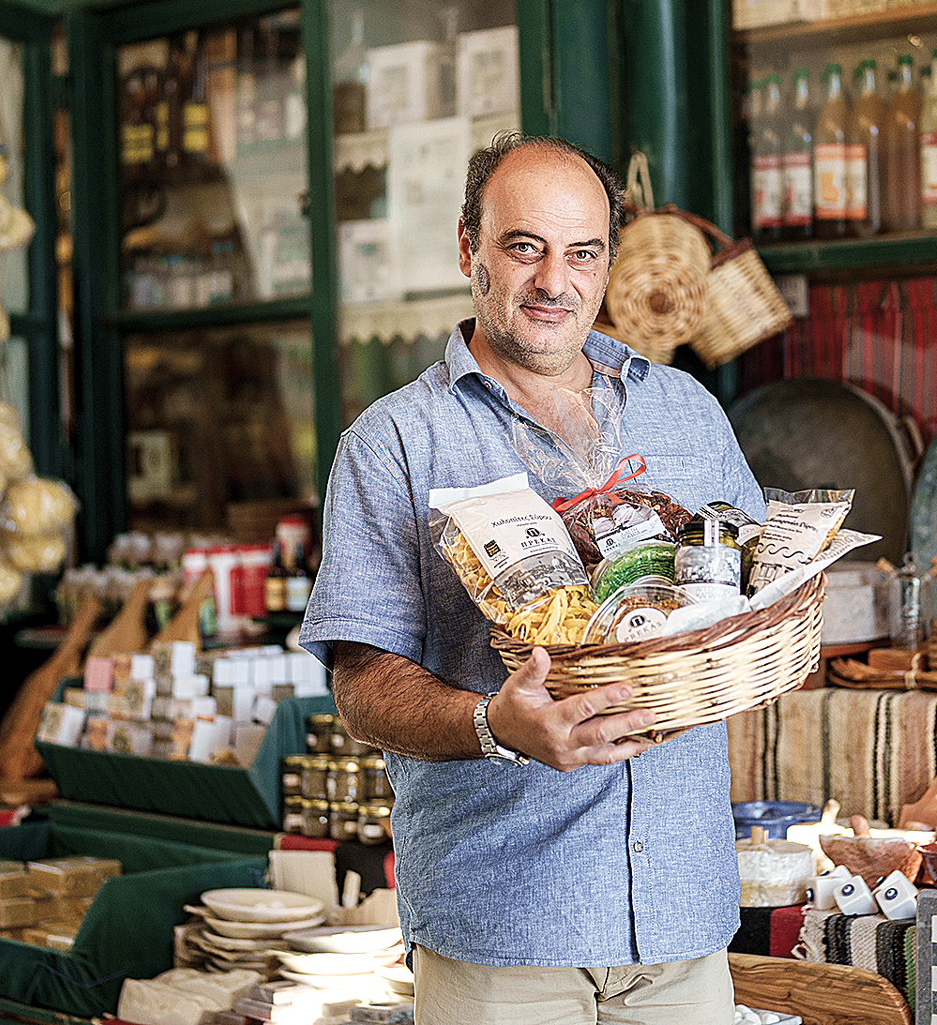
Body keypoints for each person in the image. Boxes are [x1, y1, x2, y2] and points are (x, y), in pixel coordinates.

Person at [300, 133, 767, 1024]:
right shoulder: (393, 443)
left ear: (607, 264)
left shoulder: (686, 411)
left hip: (682, 916)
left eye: (583, 252)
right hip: (503, 935)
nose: (556, 281)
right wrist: (492, 725)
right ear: (469, 248)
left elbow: (754, 585)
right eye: (526, 248)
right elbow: (361, 690)